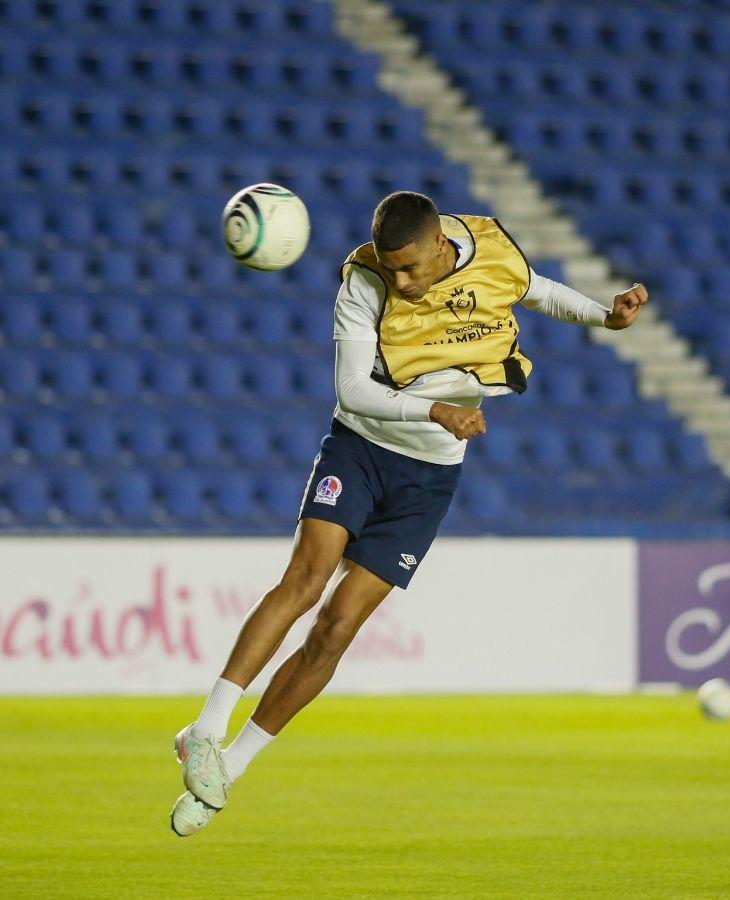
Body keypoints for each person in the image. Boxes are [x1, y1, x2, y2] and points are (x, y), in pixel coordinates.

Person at [170, 191, 648, 836]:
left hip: (429, 477)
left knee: (337, 629)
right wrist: (436, 410)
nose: (400, 281)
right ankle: (206, 728)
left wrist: (603, 316)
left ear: (439, 245)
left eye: (410, 268)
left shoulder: (490, 249)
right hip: (360, 449)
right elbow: (352, 390)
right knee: (306, 580)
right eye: (390, 268)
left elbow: (533, 289)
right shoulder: (364, 279)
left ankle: (231, 766)